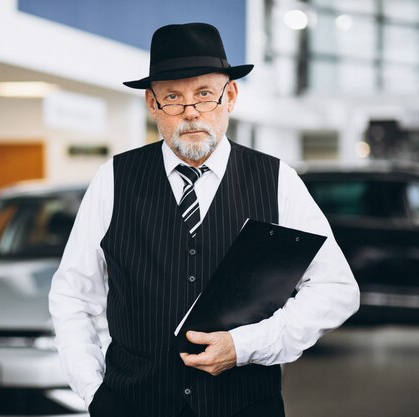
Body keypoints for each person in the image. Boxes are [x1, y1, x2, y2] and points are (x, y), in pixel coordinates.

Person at [49, 23, 360, 417]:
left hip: (246, 406)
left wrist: (245, 346)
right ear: (151, 103)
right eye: (173, 98)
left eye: (204, 95)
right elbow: (72, 295)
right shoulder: (114, 179)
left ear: (230, 96)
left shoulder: (278, 180)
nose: (191, 113)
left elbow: (337, 290)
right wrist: (95, 393)